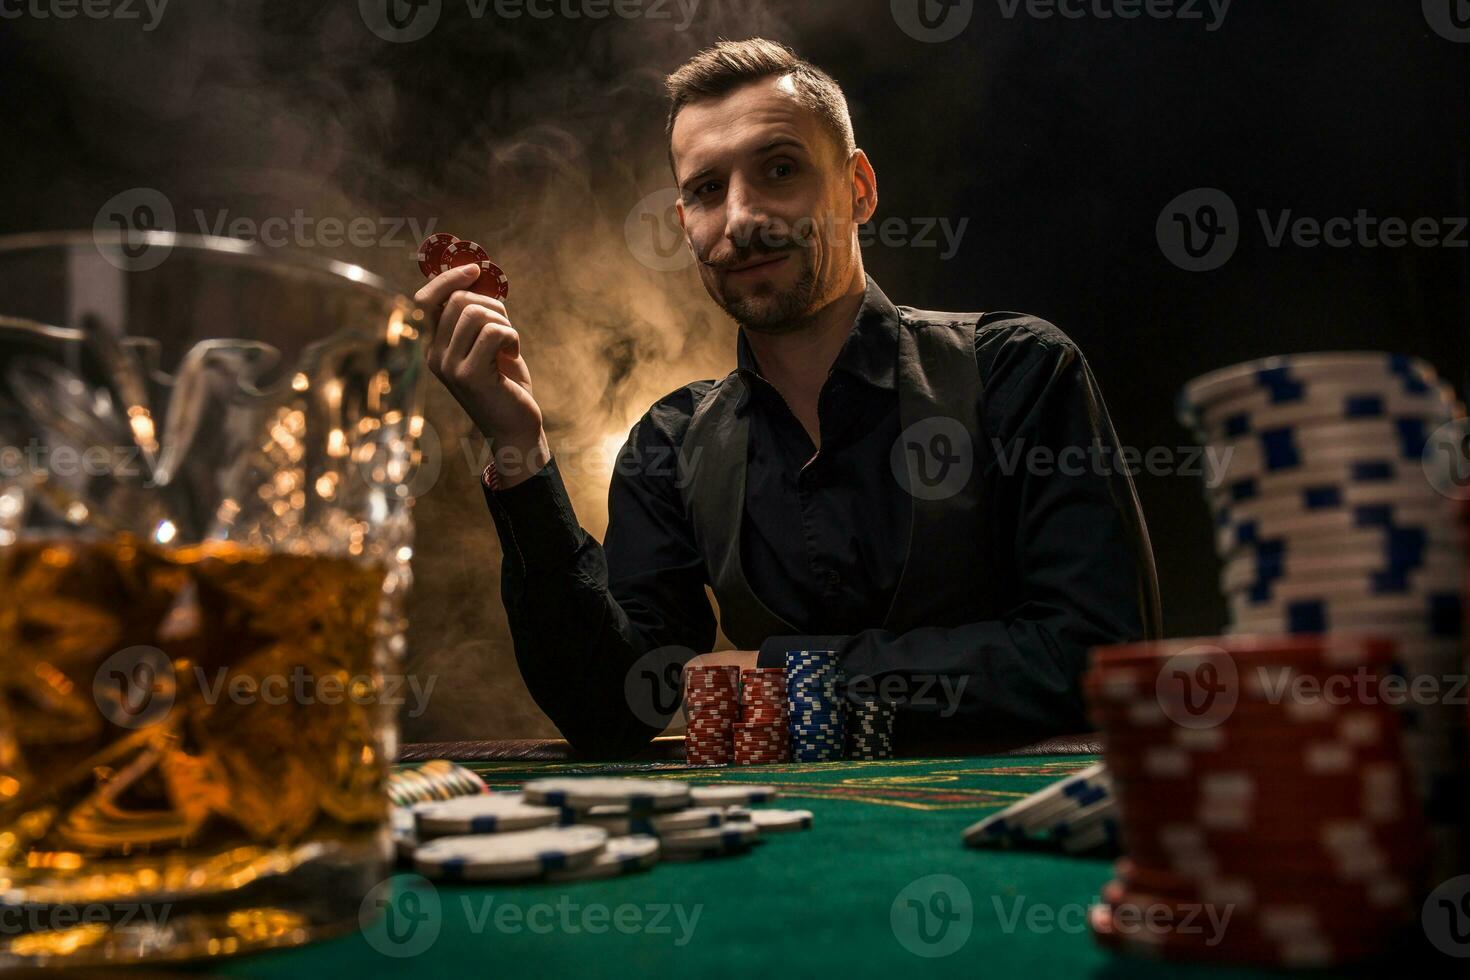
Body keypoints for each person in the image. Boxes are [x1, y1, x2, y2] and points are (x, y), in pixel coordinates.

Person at [418, 38, 1160, 758]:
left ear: (859, 188)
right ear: (685, 225)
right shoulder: (670, 443)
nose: (741, 218)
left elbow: (1096, 656)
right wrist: (519, 450)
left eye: (779, 169)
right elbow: (611, 709)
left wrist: (788, 675)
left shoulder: (1019, 371)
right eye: (708, 190)